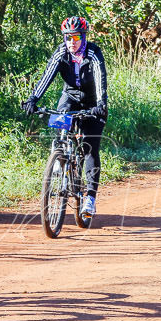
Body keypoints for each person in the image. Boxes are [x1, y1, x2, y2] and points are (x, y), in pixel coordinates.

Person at [23, 16, 108, 219]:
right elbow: (47, 75)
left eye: (76, 37)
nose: (72, 42)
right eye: (68, 38)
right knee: (61, 122)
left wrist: (101, 104)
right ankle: (60, 159)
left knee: (89, 147)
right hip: (69, 97)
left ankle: (90, 198)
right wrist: (33, 98)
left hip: (92, 102)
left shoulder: (94, 54)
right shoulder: (62, 52)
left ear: (83, 37)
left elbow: (100, 79)